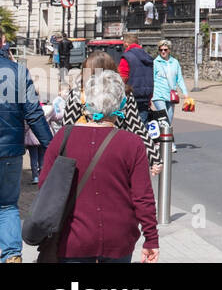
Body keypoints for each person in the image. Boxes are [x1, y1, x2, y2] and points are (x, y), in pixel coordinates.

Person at [39, 71, 159, 263]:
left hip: (72, 238)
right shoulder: (132, 143)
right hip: (119, 239)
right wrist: (151, 238)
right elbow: (142, 197)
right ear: (121, 104)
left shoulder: (63, 137)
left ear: (87, 102)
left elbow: (45, 187)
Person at [60, 51, 161, 175]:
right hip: (116, 155)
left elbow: (66, 128)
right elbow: (137, 128)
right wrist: (155, 159)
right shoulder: (124, 95)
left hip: (83, 157)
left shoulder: (77, 94)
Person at [2, 40, 53, 262]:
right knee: (6, 205)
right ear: (3, 42)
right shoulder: (17, 72)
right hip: (10, 151)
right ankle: (11, 254)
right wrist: (51, 147)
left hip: (11, 150)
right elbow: (34, 113)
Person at [150, 39, 189, 125]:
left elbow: (180, 79)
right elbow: (151, 80)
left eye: (165, 49)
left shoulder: (175, 62)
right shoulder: (155, 63)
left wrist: (185, 94)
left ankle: (162, 137)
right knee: (165, 121)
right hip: (158, 95)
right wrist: (149, 96)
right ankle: (162, 136)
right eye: (161, 50)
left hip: (171, 96)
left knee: (169, 121)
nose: (163, 51)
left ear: (169, 50)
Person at [118, 38, 155, 120]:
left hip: (131, 96)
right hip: (146, 96)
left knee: (129, 125)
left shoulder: (127, 57)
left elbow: (122, 78)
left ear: (127, 44)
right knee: (143, 124)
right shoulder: (147, 56)